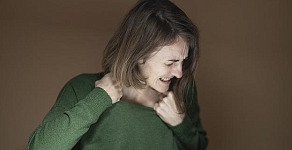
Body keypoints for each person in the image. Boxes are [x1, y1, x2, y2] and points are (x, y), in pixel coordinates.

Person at [27, 0, 208, 149]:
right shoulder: (83, 88)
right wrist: (98, 100)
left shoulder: (183, 89)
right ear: (139, 55)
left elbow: (199, 146)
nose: (178, 73)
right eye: (170, 63)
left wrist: (181, 124)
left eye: (183, 61)